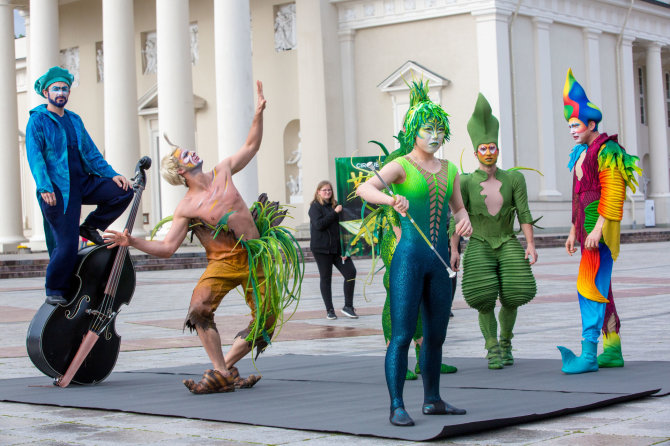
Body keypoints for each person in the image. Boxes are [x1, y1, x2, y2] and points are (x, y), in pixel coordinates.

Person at [104, 81, 303, 393]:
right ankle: (223, 372)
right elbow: (168, 247)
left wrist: (258, 113)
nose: (191, 152)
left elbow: (251, 146)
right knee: (198, 309)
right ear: (181, 171)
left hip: (256, 255)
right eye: (184, 154)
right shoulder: (187, 207)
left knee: (266, 319)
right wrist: (133, 242)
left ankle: (222, 372)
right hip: (223, 262)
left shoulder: (223, 170)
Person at [356, 80, 472, 426]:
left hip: (438, 263)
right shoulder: (401, 166)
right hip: (408, 259)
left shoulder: (450, 170)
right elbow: (365, 187)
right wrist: (390, 198)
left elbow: (459, 209)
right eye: (427, 129)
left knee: (436, 335)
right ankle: (396, 405)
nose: (434, 135)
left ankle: (433, 399)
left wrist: (463, 224)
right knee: (403, 334)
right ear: (412, 131)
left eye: (439, 129)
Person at [25, 66, 133, 306]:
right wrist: (44, 187)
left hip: (82, 182)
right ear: (46, 92)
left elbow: (91, 154)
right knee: (66, 246)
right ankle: (55, 289)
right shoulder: (38, 121)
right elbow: (36, 157)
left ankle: (91, 225)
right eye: (56, 88)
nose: (61, 92)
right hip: (57, 190)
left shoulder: (74, 120)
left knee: (123, 192)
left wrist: (112, 174)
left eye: (65, 88)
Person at [558, 69, 641, 374]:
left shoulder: (607, 149)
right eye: (569, 125)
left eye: (576, 125)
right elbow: (577, 195)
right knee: (601, 287)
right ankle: (613, 348)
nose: (572, 130)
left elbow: (613, 191)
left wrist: (596, 228)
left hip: (599, 232)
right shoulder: (581, 152)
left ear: (591, 123)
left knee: (588, 286)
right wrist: (572, 230)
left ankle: (588, 353)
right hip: (585, 231)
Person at [451, 93, 538, 370]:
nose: (488, 152)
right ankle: (491, 347)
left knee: (515, 292)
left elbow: (524, 214)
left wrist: (530, 245)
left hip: (507, 239)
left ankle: (507, 341)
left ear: (497, 150)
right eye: (483, 148)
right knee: (482, 295)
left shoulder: (514, 179)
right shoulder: (464, 181)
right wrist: (454, 249)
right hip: (478, 242)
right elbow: (456, 216)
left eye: (492, 147)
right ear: (476, 151)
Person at [308, 181, 358, 320]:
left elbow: (342, 228)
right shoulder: (314, 207)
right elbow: (319, 225)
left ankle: (348, 306)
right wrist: (335, 213)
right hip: (321, 249)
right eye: (324, 190)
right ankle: (330, 310)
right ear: (318, 192)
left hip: (337, 249)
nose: (327, 192)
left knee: (351, 272)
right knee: (326, 278)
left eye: (329, 190)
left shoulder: (336, 205)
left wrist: (345, 249)